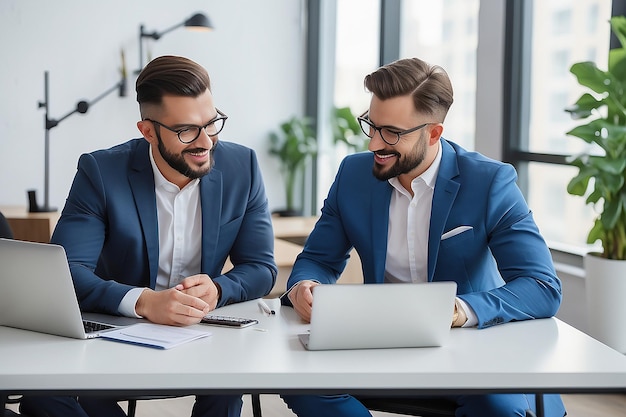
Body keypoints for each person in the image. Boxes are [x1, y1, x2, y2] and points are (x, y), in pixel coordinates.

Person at [280, 58, 566, 417]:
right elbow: (319, 259)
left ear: (433, 133)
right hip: (377, 346)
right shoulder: (354, 175)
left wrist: (460, 311)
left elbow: (541, 285)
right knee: (300, 384)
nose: (373, 144)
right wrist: (306, 284)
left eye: (391, 133)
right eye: (371, 125)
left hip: (471, 350)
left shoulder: (489, 182)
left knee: (497, 408)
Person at [20, 55, 277, 417]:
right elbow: (66, 271)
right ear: (148, 131)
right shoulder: (101, 172)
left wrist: (218, 289)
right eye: (186, 130)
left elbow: (261, 267)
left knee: (226, 388)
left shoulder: (243, 167)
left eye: (211, 123)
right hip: (118, 334)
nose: (206, 141)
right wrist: (143, 302)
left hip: (208, 334)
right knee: (44, 395)